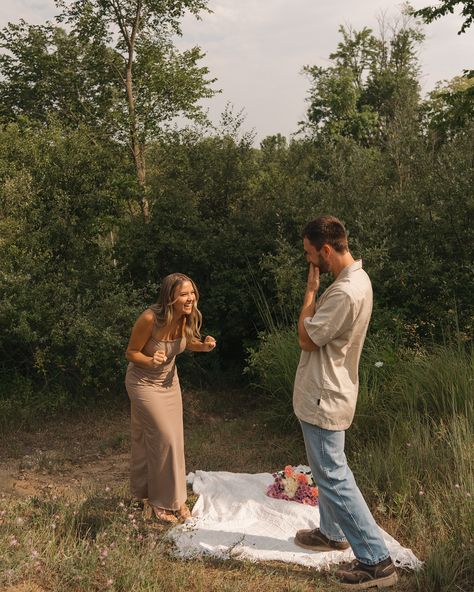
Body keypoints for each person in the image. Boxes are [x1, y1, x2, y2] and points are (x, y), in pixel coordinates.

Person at [292, 216, 398, 589]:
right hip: (332, 387)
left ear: (325, 249)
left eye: (309, 253)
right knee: (326, 470)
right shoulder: (357, 278)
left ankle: (376, 560)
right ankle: (332, 532)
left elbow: (306, 339)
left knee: (334, 475)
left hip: (325, 394)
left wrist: (309, 291)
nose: (309, 261)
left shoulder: (343, 291)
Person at [125, 273, 216, 523]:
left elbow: (185, 343)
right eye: (184, 294)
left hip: (169, 383)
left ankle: (158, 497)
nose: (190, 298)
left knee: (170, 439)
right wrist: (149, 359)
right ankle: (162, 502)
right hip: (142, 383)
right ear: (170, 297)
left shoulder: (185, 317)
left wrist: (204, 345)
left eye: (192, 293)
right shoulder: (149, 318)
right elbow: (131, 353)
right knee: (164, 437)